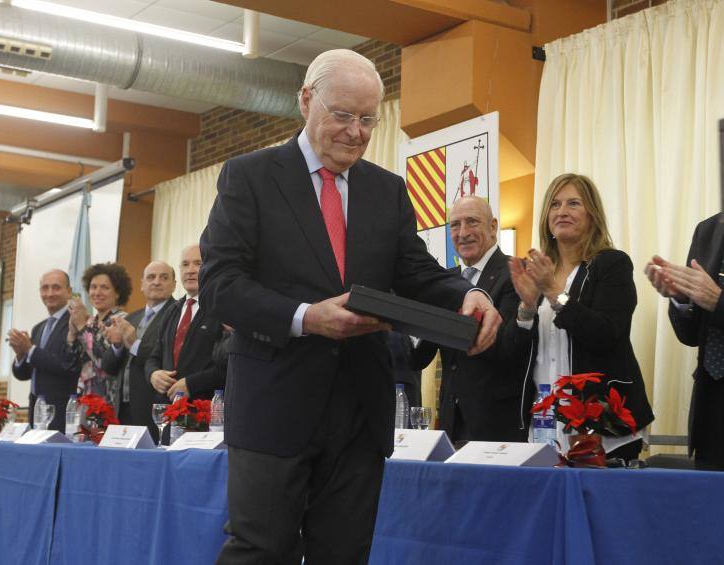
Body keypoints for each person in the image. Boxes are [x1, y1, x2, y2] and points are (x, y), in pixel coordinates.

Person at [200, 49, 501, 564]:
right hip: (275, 405)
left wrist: (468, 293)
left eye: (367, 120)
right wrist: (306, 317)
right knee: (260, 551)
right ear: (306, 101)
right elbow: (220, 284)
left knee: (344, 554)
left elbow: (416, 272)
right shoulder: (248, 176)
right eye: (342, 115)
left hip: (360, 412)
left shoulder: (388, 190)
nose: (356, 132)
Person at [509, 173, 654, 460]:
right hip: (544, 424)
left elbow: (605, 334)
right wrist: (526, 307)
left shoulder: (611, 264)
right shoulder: (535, 273)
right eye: (555, 204)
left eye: (573, 204)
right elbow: (517, 357)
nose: (562, 211)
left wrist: (553, 291)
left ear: (592, 215)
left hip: (601, 425)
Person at [411, 196, 530, 442]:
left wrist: (448, 322)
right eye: (455, 225)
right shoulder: (445, 280)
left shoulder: (517, 272)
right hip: (451, 422)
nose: (462, 233)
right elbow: (419, 357)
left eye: (472, 222)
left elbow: (508, 346)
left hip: (498, 425)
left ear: (493, 227)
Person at [645, 212, 724, 469]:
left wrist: (718, 302)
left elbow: (715, 302)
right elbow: (692, 336)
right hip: (712, 410)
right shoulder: (708, 229)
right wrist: (680, 298)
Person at [145, 245, 225, 410]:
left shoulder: (220, 308)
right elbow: (155, 356)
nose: (190, 270)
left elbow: (227, 363)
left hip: (205, 411)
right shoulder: (172, 310)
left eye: (198, 263)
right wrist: (153, 374)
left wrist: (191, 384)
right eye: (185, 264)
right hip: (168, 410)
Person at [101, 261, 176, 438]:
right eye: (151, 277)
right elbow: (108, 367)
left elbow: (167, 358)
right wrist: (117, 345)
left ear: (174, 284)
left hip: (154, 407)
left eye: (164, 277)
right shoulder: (132, 317)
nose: (156, 282)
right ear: (142, 284)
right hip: (124, 407)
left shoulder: (177, 314)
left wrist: (134, 343)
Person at [9, 269, 79, 432]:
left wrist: (30, 349)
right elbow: (24, 374)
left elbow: (66, 365)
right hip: (36, 411)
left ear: (69, 291)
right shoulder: (39, 328)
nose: (50, 293)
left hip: (63, 412)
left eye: (56, 287)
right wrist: (21, 354)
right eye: (45, 288)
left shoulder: (75, 322)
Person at [66, 262, 132, 410]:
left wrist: (82, 326)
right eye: (93, 287)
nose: (97, 292)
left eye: (105, 287)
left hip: (109, 401)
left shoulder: (122, 320)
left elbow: (104, 360)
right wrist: (72, 333)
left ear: (117, 292)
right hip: (85, 400)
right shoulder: (89, 322)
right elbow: (70, 364)